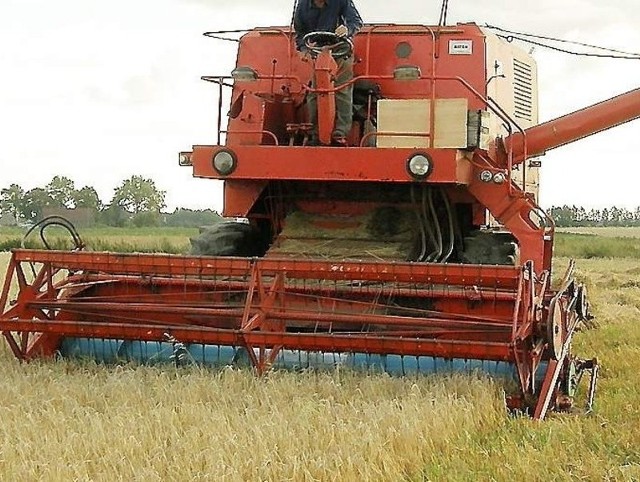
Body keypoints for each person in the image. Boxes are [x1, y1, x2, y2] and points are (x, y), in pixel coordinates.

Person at [293, 0, 363, 145]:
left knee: (342, 89)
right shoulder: (303, 5)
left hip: (340, 49)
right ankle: (315, 133)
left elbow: (355, 21)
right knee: (314, 92)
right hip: (318, 51)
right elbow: (300, 32)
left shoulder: (341, 1)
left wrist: (347, 29)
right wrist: (303, 49)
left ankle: (340, 133)